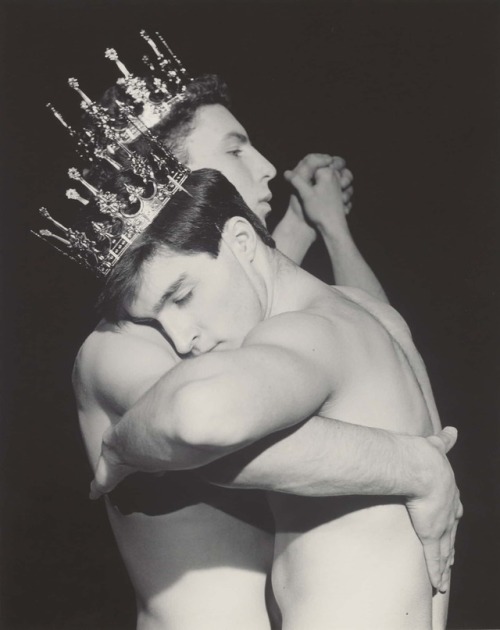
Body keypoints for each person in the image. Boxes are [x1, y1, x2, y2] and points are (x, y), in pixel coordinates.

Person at [73, 76, 460, 629]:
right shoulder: (121, 348)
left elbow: (373, 343)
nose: (265, 167)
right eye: (234, 148)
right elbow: (205, 437)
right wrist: (418, 467)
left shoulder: (241, 321)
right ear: (171, 180)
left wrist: (323, 227)